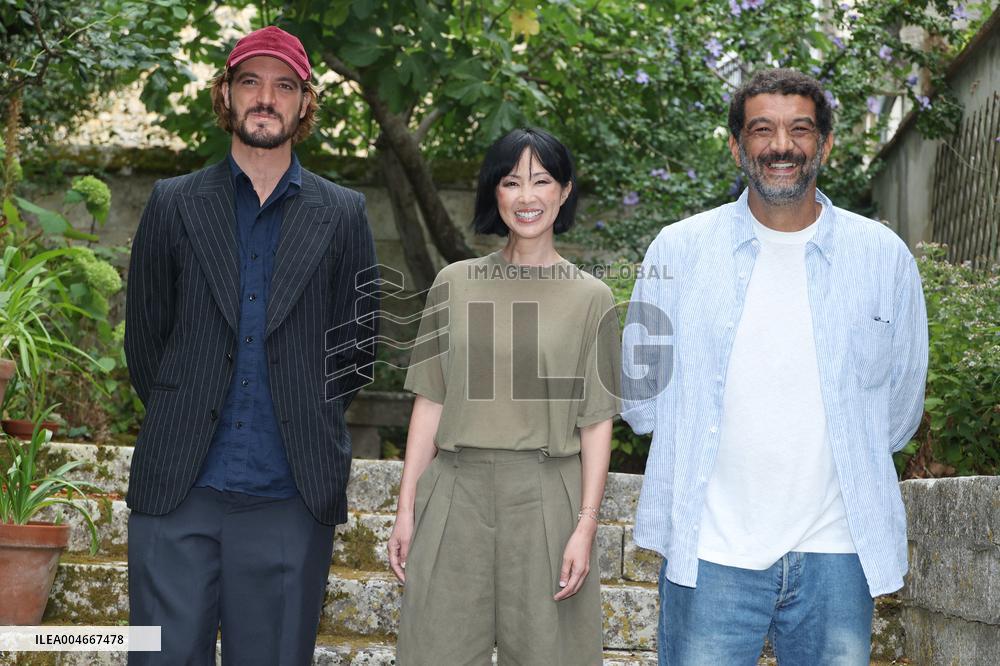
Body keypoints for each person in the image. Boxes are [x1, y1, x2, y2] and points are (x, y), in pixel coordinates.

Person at [622, 68, 928, 665]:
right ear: (737, 146)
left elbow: (898, 411)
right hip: (710, 552)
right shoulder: (678, 251)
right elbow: (641, 396)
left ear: (826, 144)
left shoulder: (883, 258)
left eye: (800, 130)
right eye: (762, 130)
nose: (781, 146)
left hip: (838, 551)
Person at [124, 26, 379, 665]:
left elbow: (357, 349)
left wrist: (303, 412)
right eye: (250, 82)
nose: (266, 98)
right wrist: (184, 409)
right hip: (178, 489)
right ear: (226, 94)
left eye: (284, 86)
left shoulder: (343, 213)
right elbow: (145, 340)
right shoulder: (173, 203)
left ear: (304, 103)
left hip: (289, 494)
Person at [387, 128, 622, 665]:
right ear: (494, 192)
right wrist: (406, 509)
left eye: (542, 181)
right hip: (455, 489)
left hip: (546, 494)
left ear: (565, 192)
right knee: (434, 652)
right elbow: (431, 402)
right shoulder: (454, 283)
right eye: (511, 182)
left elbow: (596, 422)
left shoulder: (592, 297)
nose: (526, 196)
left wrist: (585, 525)